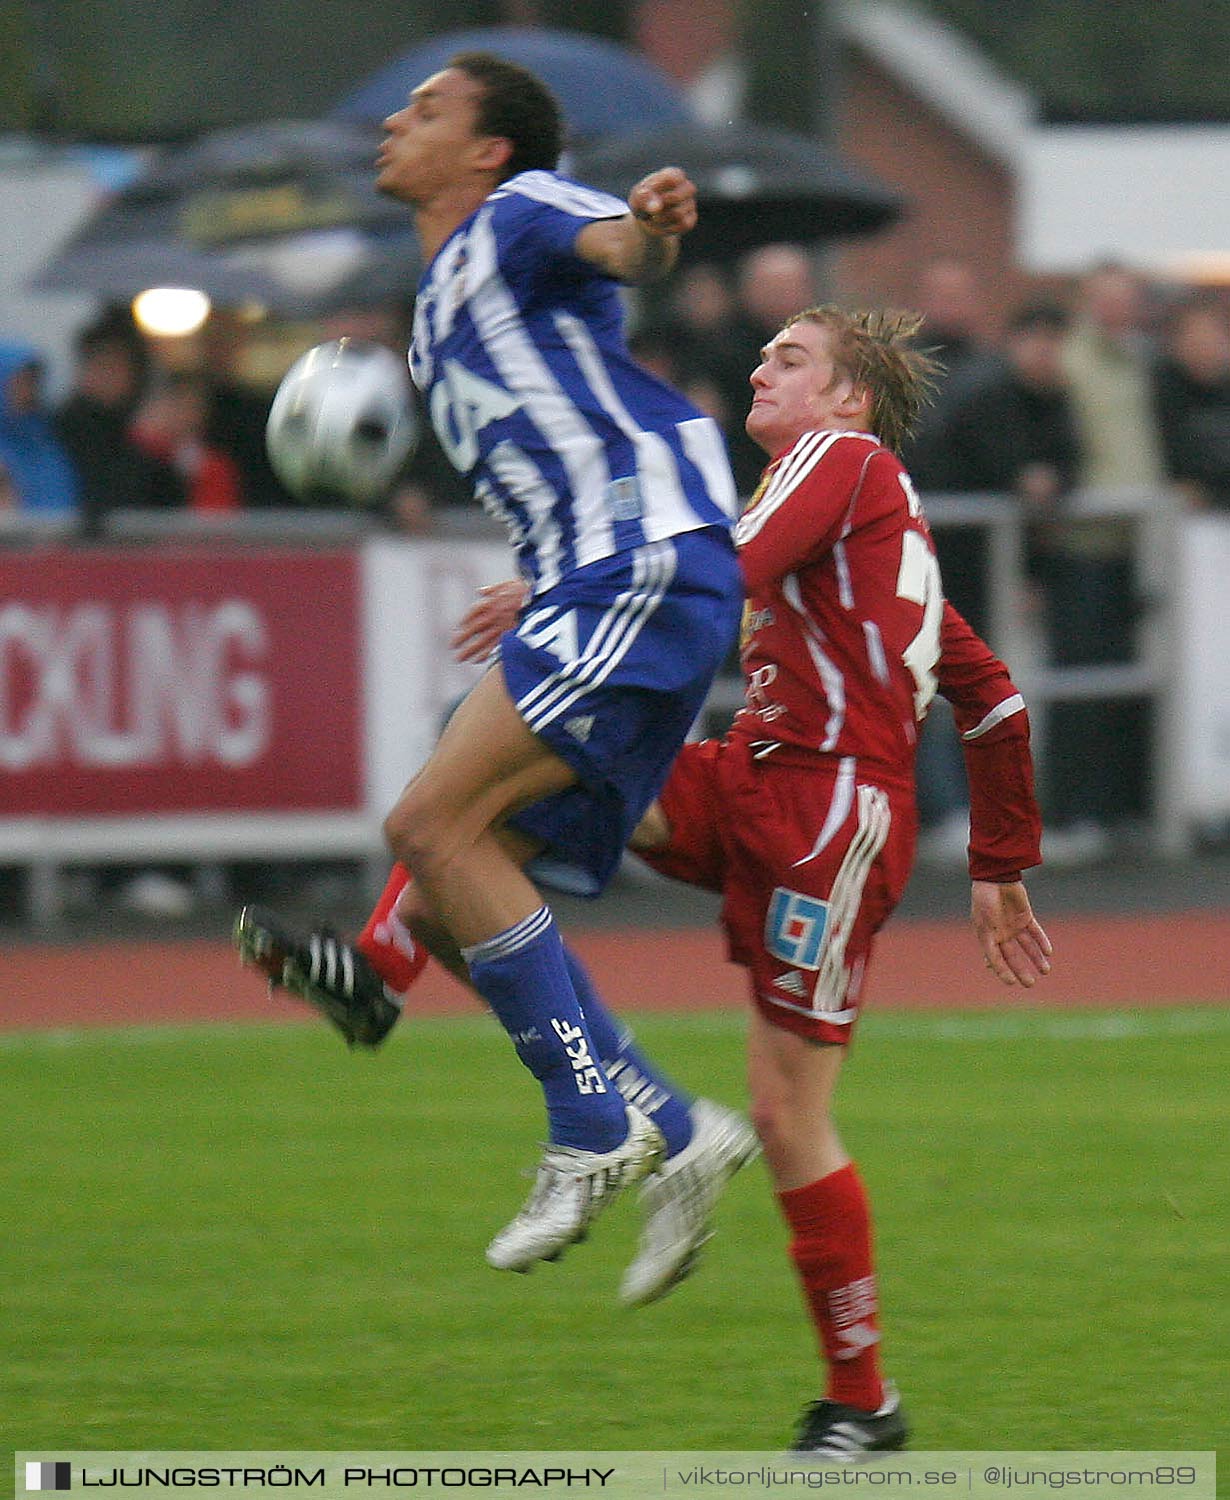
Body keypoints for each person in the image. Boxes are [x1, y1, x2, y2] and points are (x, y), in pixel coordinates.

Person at [238, 303, 1051, 1458]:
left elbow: (720, 575)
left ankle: (862, 1405)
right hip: (757, 777)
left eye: (793, 356)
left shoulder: (845, 460)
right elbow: (994, 692)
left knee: (789, 1116)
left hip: (830, 815)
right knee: (504, 792)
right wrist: (1003, 858)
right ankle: (383, 967)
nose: (763, 365)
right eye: (767, 349)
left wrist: (568, 591)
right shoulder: (869, 517)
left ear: (850, 397)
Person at [236, 52, 748, 1275]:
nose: (395, 124)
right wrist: (539, 571)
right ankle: (678, 1129)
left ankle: (586, 1127)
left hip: (642, 561)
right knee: (455, 900)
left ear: (485, 150)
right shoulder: (437, 303)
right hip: (600, 572)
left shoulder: (520, 209)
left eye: (426, 111)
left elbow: (620, 247)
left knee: (430, 825)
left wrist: (653, 228)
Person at [54, 309, 183, 533]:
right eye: (104, 366)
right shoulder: (63, 431)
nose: (112, 377)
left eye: (119, 368)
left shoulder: (130, 437)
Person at [0, 341, 79, 519]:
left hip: (57, 544)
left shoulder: (46, 445)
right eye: (17, 383)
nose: (26, 391)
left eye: (31, 382)